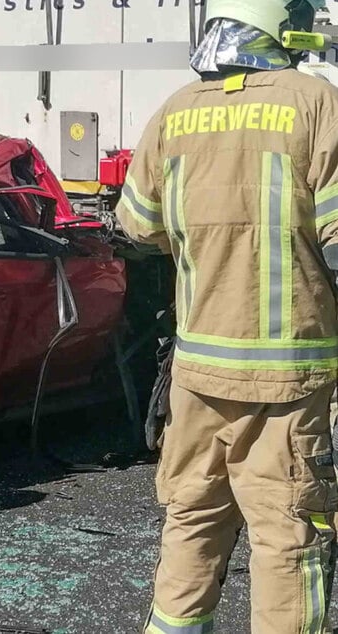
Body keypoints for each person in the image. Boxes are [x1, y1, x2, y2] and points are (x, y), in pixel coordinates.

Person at [115, 1, 338, 631]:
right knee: (289, 539)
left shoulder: (175, 111)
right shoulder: (316, 103)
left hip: (196, 378)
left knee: (191, 519)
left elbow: (137, 225)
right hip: (289, 383)